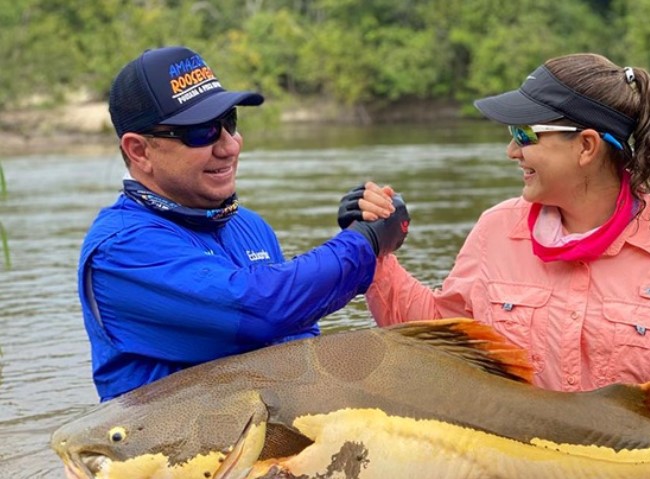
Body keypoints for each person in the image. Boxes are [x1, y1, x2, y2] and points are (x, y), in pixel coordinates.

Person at [347, 53, 650, 479]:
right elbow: (439, 336)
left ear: (586, 147)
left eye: (524, 135)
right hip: (513, 477)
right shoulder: (495, 231)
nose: (512, 151)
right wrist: (373, 250)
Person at [78, 46, 409, 402]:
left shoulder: (249, 226)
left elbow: (297, 340)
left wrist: (364, 225)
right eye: (202, 132)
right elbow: (259, 308)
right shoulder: (119, 251)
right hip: (170, 450)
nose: (230, 146)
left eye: (229, 122)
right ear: (139, 151)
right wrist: (362, 242)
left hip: (266, 444)